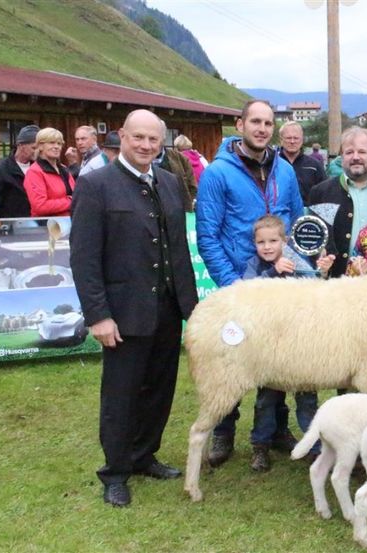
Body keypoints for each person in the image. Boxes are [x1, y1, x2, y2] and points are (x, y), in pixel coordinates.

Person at [70, 109, 198, 507]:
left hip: (168, 308)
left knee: (160, 389)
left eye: (153, 140)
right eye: (138, 137)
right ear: (122, 136)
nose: (145, 145)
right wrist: (98, 315)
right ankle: (116, 471)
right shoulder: (95, 185)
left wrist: (192, 309)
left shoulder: (171, 182)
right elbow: (84, 258)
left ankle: (145, 456)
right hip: (122, 312)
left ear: (162, 143)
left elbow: (178, 249)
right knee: (121, 395)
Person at [196, 99, 304, 469]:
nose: (262, 128)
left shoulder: (285, 172)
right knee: (232, 359)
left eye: (268, 122)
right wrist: (233, 287)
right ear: (239, 124)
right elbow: (208, 235)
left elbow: (298, 221)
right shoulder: (217, 174)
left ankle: (274, 429)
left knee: (278, 358)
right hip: (238, 287)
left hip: (280, 286)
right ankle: (224, 431)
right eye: (255, 121)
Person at [242, 214, 330, 471]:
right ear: (255, 244)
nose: (267, 247)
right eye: (261, 242)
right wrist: (272, 272)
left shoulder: (298, 262)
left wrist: (321, 270)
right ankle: (260, 447)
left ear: (285, 240)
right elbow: (246, 292)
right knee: (266, 399)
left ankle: (315, 448)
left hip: (301, 348)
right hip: (268, 350)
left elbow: (317, 292)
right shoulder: (254, 267)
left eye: (273, 240)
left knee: (307, 400)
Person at [308, 126, 367, 278]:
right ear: (341, 155)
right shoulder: (321, 192)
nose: (355, 157)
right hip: (336, 285)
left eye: (362, 151)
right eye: (349, 152)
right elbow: (314, 243)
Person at [23, 127, 75, 217]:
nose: (56, 147)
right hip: (46, 227)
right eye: (51, 143)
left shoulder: (63, 169)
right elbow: (40, 206)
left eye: (59, 143)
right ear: (40, 146)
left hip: (69, 223)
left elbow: (76, 195)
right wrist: (70, 201)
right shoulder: (34, 172)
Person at [0, 124, 38, 218]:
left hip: (38, 222)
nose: (37, 151)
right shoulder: (1, 169)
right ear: (20, 145)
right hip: (11, 224)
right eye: (34, 148)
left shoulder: (39, 167)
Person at [278, 121, 326, 205]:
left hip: (307, 214)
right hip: (279, 215)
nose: (292, 141)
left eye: (296, 138)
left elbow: (325, 193)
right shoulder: (272, 164)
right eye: (288, 138)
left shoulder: (314, 166)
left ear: (302, 140)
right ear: (281, 140)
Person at [154, 134, 196, 212]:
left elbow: (192, 185)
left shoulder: (181, 158)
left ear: (163, 139)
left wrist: (185, 204)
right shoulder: (200, 158)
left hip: (176, 211)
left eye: (153, 138)